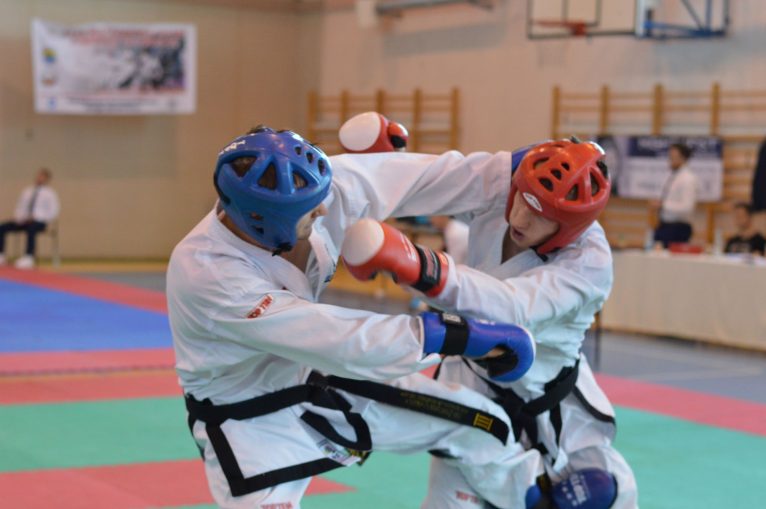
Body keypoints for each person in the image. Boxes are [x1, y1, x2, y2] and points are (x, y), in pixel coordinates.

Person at [166, 125, 550, 509]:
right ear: (262, 219)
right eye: (310, 208)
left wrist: (508, 169)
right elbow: (338, 338)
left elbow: (414, 177)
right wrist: (456, 335)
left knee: (486, 425)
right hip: (248, 422)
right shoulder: (209, 274)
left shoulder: (314, 192)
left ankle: (536, 502)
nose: (323, 209)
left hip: (315, 376)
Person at [343, 137, 637, 508]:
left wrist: (417, 264)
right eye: (522, 199)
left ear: (569, 227)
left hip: (544, 401)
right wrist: (384, 167)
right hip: (471, 385)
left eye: (541, 214)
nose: (520, 217)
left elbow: (510, 308)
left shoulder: (588, 262)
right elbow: (448, 180)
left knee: (605, 492)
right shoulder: (507, 188)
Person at [0, 167, 60, 269]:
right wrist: (19, 218)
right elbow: (20, 207)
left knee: (31, 228)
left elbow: (54, 212)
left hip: (39, 222)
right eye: (39, 176)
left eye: (42, 176)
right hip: (23, 220)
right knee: (2, 227)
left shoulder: (50, 194)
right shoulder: (27, 191)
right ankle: (1, 255)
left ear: (47, 179)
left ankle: (28, 257)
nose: (39, 178)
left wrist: (37, 217)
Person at [650, 142, 698, 248]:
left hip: (678, 228)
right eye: (670, 157)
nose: (670, 160)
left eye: (673, 157)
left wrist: (663, 205)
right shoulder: (672, 175)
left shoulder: (688, 179)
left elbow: (687, 207)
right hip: (664, 225)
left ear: (683, 158)